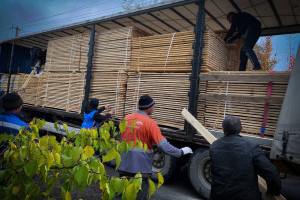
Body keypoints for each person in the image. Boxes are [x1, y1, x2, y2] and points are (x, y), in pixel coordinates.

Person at [118, 95, 193, 199]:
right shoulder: (150, 123)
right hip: (140, 169)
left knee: (122, 194)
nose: (153, 108)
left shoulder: (126, 118)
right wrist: (180, 152)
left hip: (124, 165)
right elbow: (163, 146)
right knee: (139, 196)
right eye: (153, 106)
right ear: (149, 108)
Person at [209, 115, 281, 200]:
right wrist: (273, 191)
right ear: (241, 128)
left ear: (223, 130)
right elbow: (270, 172)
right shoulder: (251, 146)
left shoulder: (214, 146)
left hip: (219, 196)